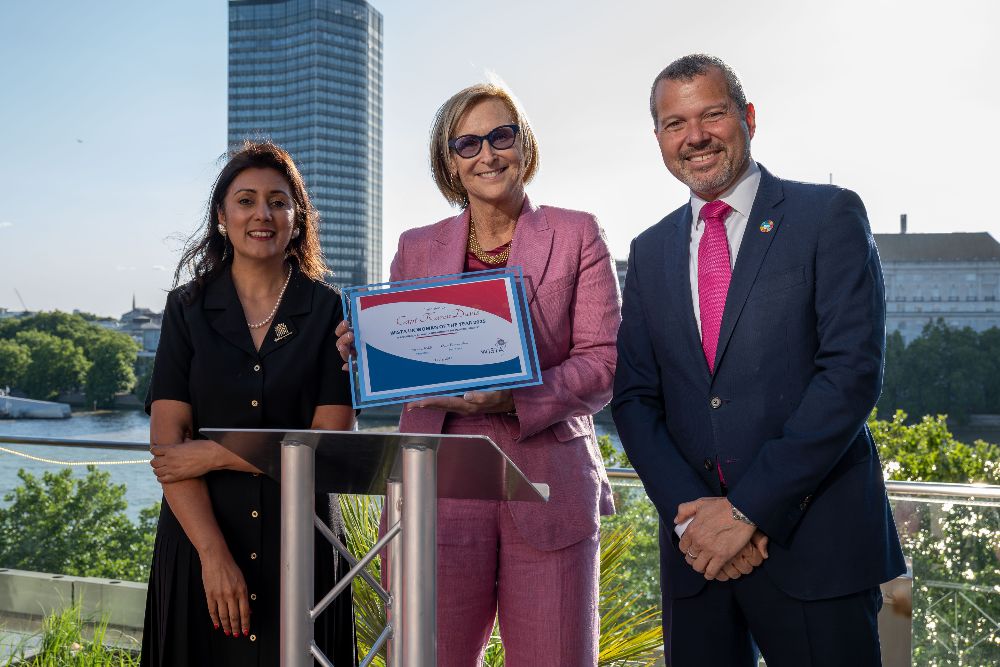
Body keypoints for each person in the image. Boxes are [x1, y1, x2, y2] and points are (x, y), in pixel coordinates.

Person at [612, 54, 906, 666]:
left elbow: (850, 375)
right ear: (658, 137)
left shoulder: (828, 215)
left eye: (712, 114)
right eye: (675, 123)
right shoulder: (648, 250)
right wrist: (695, 523)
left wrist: (747, 512)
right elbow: (635, 400)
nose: (695, 136)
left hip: (814, 547)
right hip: (697, 558)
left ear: (747, 117)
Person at [337, 82, 620, 666]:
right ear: (449, 162)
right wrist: (368, 344)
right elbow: (409, 354)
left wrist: (515, 399)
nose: (486, 154)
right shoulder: (416, 247)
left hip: (545, 482)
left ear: (524, 143)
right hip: (434, 484)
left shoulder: (577, 233)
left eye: (500, 136)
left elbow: (604, 364)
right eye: (467, 143)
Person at [141, 141, 357, 666]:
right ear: (222, 216)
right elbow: (169, 451)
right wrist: (213, 556)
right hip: (199, 543)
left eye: (278, 202)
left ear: (297, 219)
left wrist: (214, 453)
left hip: (304, 546)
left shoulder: (333, 310)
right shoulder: (185, 308)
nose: (263, 214)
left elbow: (331, 444)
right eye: (246, 200)